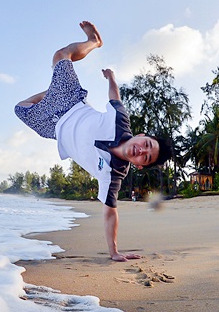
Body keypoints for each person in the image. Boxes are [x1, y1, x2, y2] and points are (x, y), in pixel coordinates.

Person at [15, 21, 173, 262]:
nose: (141, 150)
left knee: (20, 108)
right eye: (147, 144)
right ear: (142, 136)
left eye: (146, 156)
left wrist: (114, 252)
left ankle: (51, 92)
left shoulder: (114, 175)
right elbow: (115, 98)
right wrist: (111, 78)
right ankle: (93, 42)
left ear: (140, 165)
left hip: (54, 128)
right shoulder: (120, 122)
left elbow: (111, 213)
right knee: (61, 55)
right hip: (71, 101)